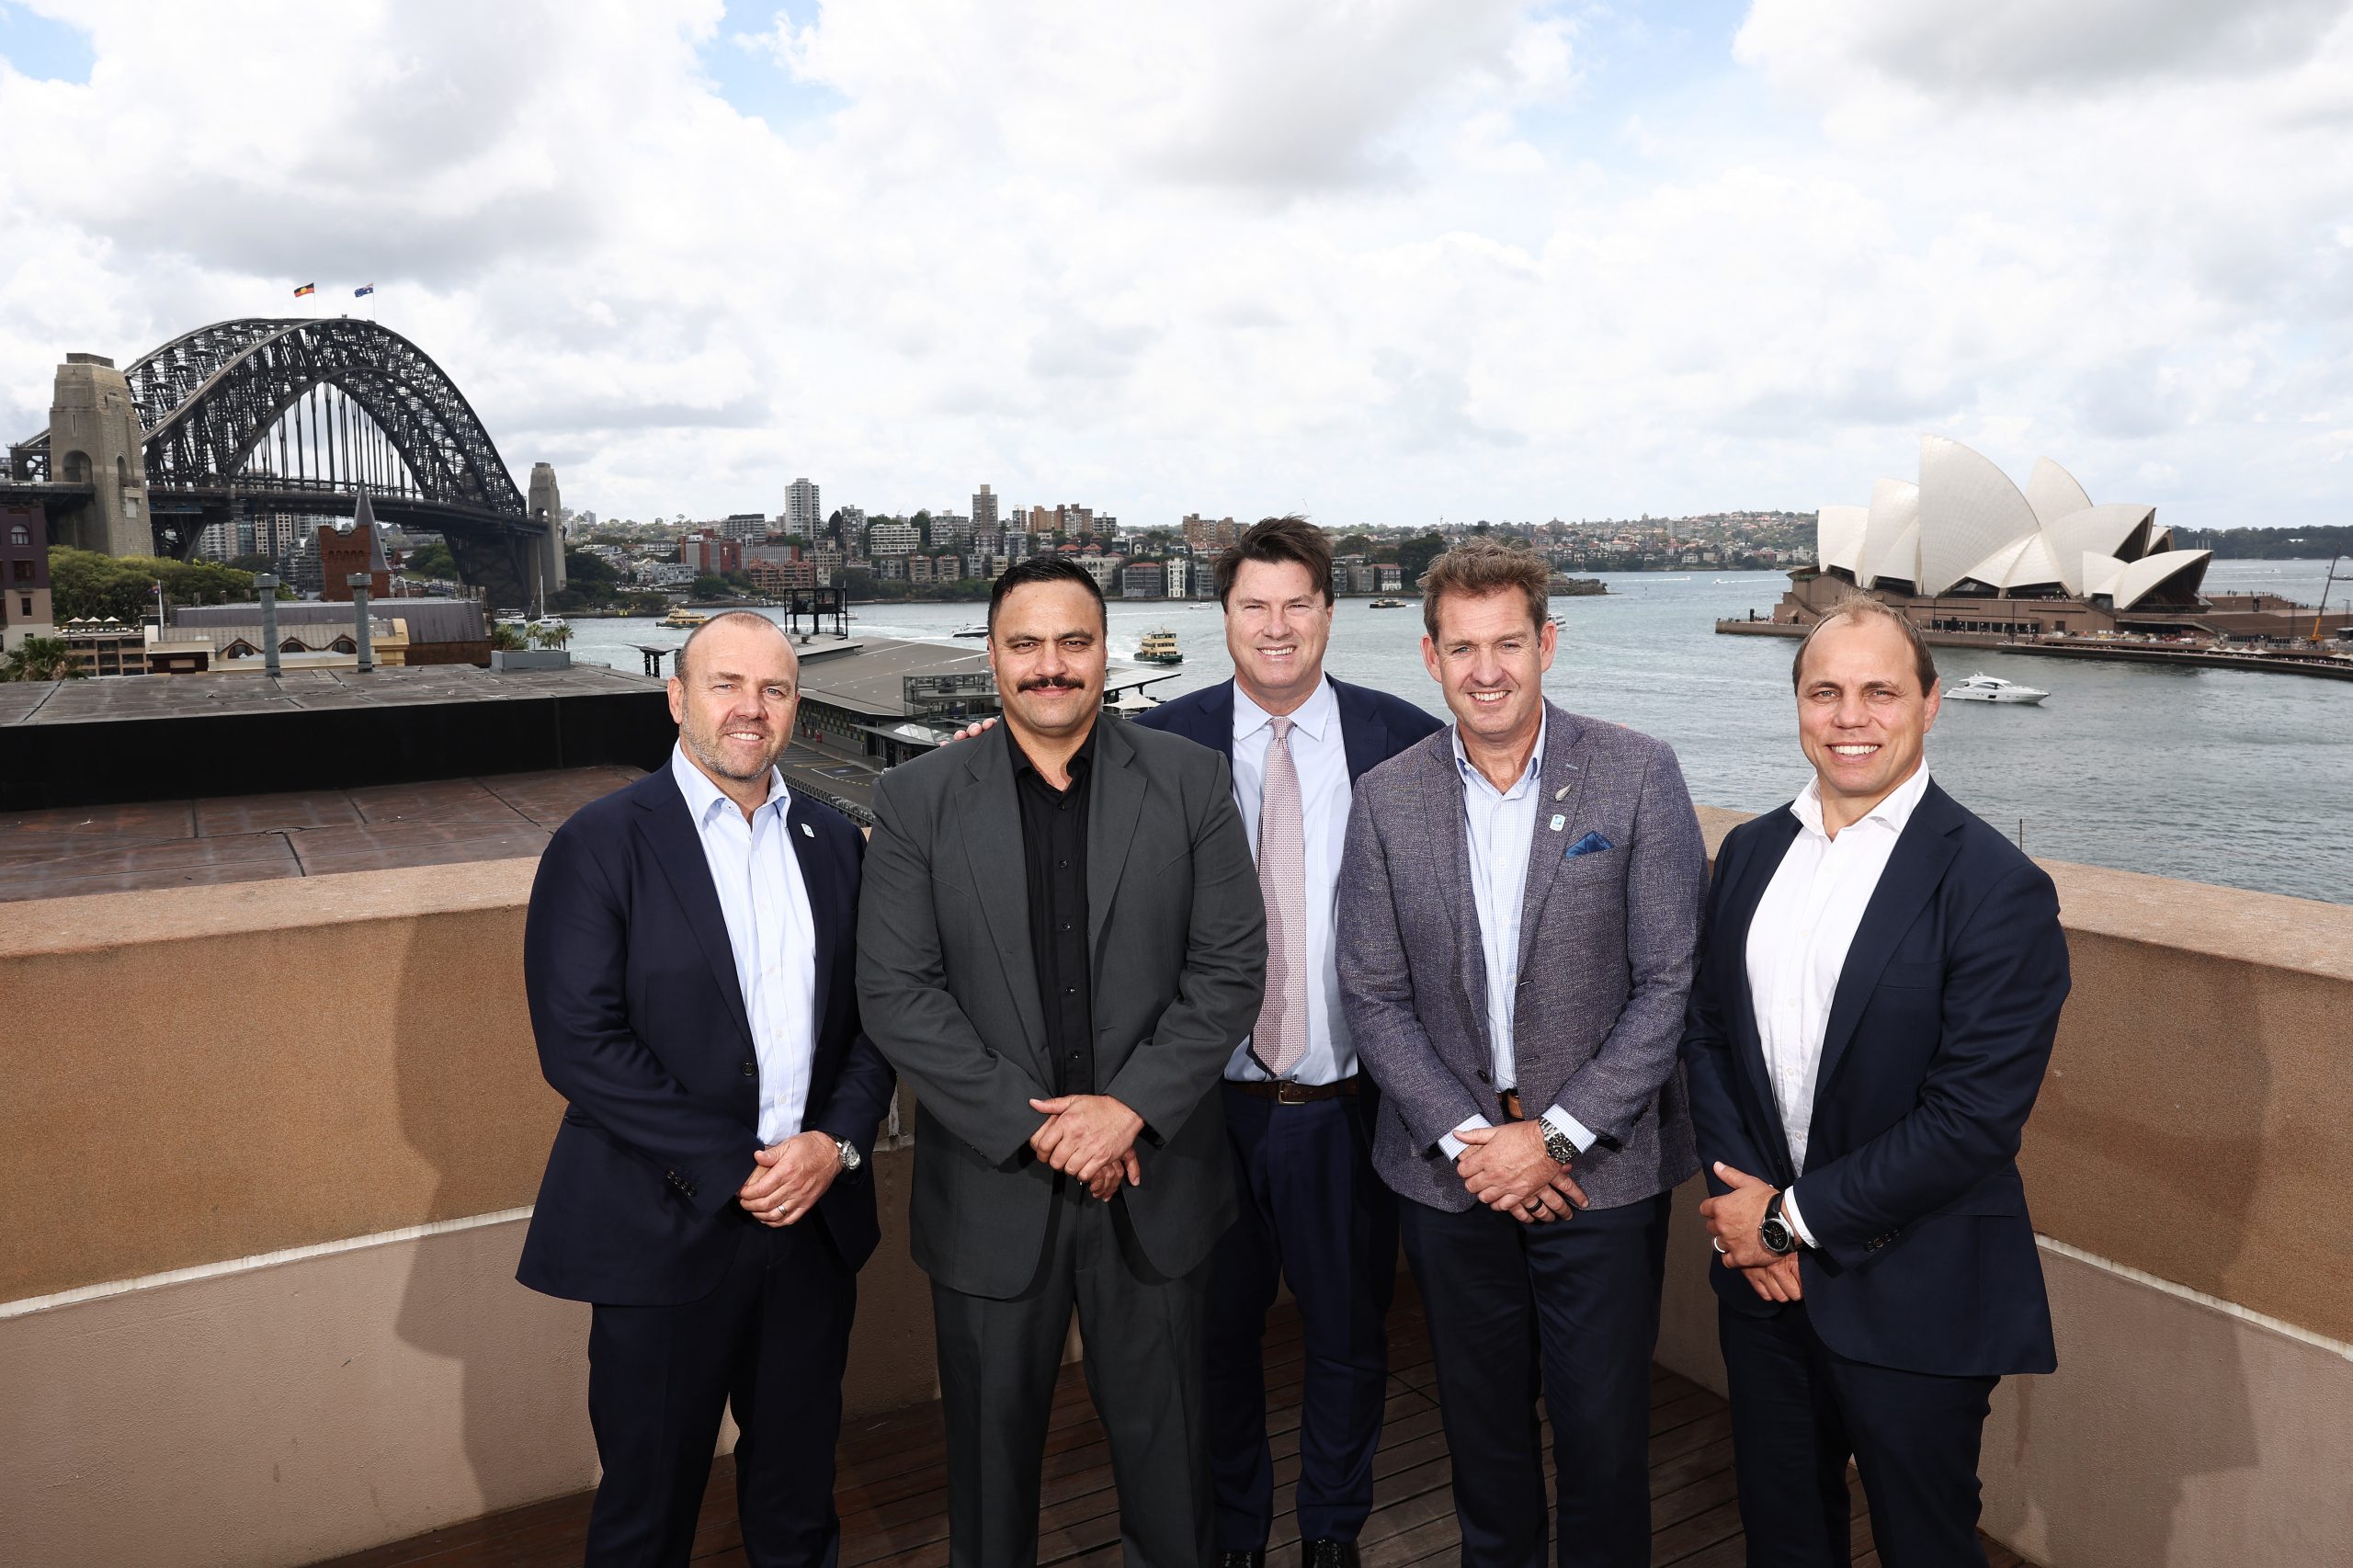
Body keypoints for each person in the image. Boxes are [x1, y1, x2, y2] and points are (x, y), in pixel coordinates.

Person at [857, 555, 1267, 1568]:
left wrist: (1126, 1110)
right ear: (991, 655)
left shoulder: (1190, 781)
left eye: (1073, 642)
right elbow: (897, 995)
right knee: (988, 1500)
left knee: (1175, 1489)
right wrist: (1048, 1125)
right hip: (993, 1195)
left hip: (1155, 1187)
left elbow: (1228, 970)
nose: (1051, 665)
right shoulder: (914, 798)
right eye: (1025, 643)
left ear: (1104, 649)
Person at [1336, 538, 1706, 1568]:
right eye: (1463, 647)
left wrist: (1551, 1136)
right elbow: (1372, 991)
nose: (1486, 669)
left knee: (1601, 1439)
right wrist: (1476, 1143)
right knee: (1482, 1435)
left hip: (1602, 1173)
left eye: (1507, 642)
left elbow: (1669, 980)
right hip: (1451, 1180)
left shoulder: (1637, 774)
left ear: (1546, 642)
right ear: (1429, 656)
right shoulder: (1386, 795)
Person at [1681, 594, 2068, 1568]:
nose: (1850, 715)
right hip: (1762, 1288)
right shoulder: (1750, 852)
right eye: (1825, 690)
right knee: (1783, 1532)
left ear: (1929, 704)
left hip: (1915, 1288)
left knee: (1923, 1541)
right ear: (1798, 705)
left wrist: (1787, 1219)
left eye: (1878, 691)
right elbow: (1709, 1036)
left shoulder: (1995, 885)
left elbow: (1971, 1119)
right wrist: (1748, 1219)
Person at [517, 610, 895, 1568]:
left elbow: (873, 1024)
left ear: (796, 709)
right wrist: (734, 1168)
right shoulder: (600, 842)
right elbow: (580, 1043)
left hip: (808, 1227)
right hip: (662, 1232)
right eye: (726, 684)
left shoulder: (834, 842)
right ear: (678, 696)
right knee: (648, 1513)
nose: (750, 708)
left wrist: (836, 1142)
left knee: (798, 1501)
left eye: (773, 689)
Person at [1131, 517, 1443, 1568]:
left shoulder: (1401, 738)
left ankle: (1329, 1531)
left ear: (1328, 613)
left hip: (1348, 1105)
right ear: (1222, 618)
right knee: (1213, 1343)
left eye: (1296, 603)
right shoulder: (1155, 745)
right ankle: (1233, 1534)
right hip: (1201, 1112)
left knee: (1349, 1340)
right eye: (1253, 605)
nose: (1276, 627)